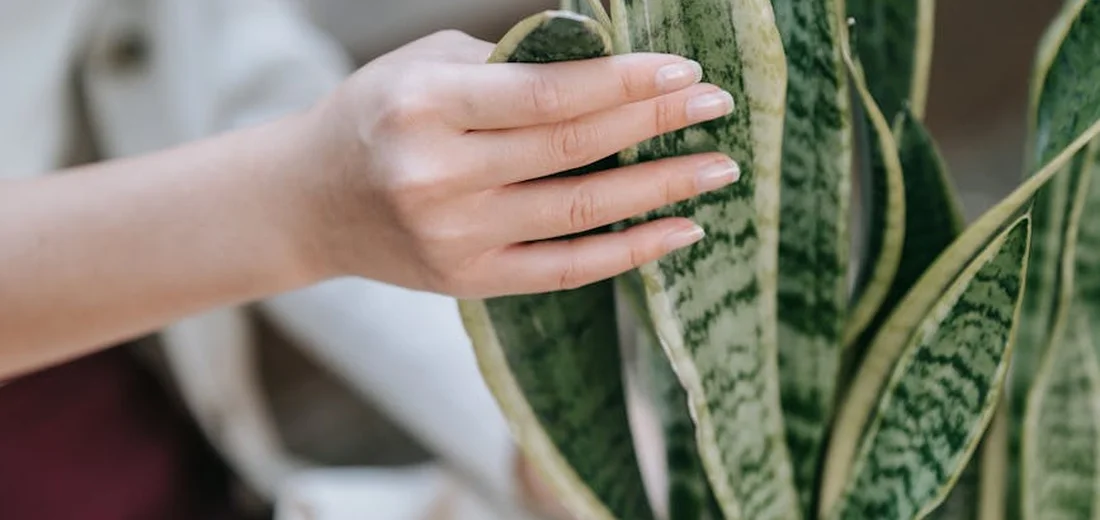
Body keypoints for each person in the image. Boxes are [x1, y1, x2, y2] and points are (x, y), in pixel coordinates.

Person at [0, 0, 738, 518]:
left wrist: (553, 434)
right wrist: (303, 205)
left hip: (124, 422)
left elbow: (215, 68)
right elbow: (295, 182)